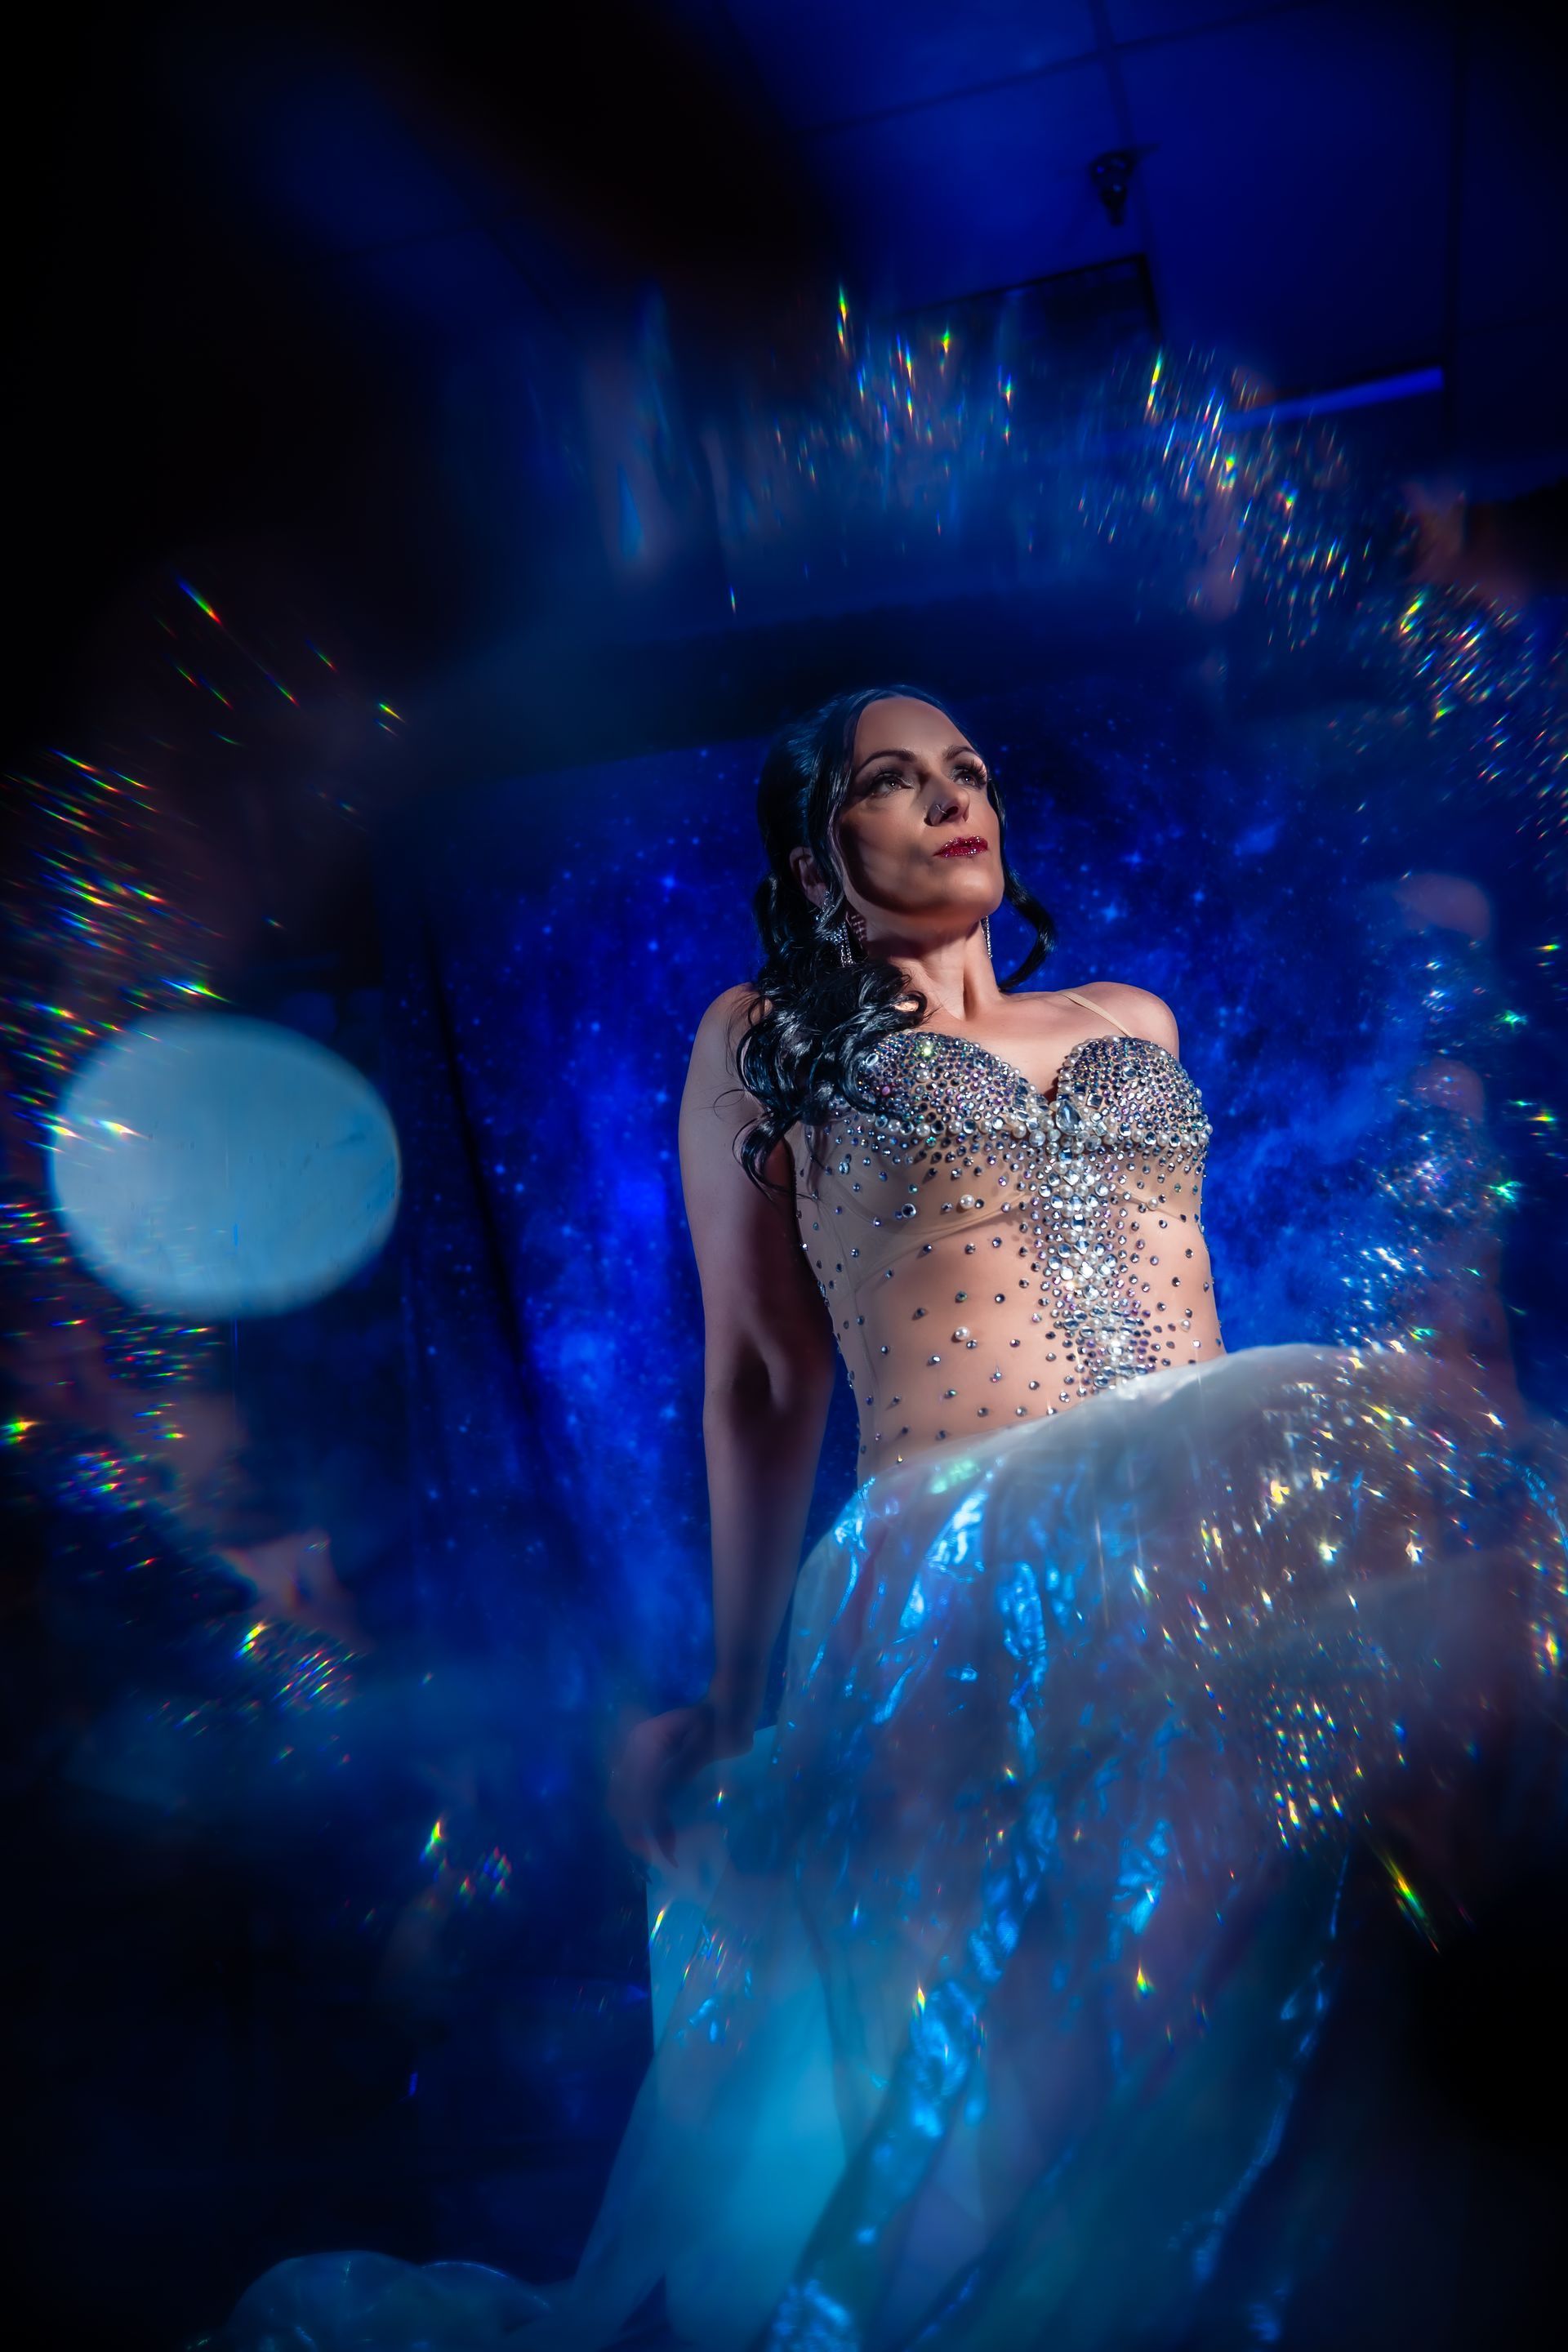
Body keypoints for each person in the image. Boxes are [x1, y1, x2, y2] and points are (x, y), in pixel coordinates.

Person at [220, 688, 1566, 2351]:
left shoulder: (1131, 1018)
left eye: (968, 773)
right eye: (894, 780)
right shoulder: (759, 1041)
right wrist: (737, 1695)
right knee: (1027, 2019)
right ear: (814, 854)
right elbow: (762, 1375)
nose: (950, 799)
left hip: (1223, 1509)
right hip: (970, 1548)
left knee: (1298, 1904)